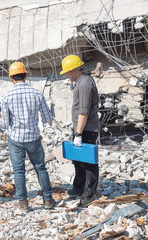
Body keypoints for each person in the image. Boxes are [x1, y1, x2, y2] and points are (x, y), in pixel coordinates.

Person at [0, 62, 55, 211]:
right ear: (26, 75)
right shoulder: (37, 94)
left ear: (11, 78)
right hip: (33, 138)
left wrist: (3, 128)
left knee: (19, 171)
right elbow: (47, 118)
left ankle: (23, 203)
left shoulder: (7, 97)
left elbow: (5, 123)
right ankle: (48, 200)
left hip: (16, 139)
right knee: (40, 168)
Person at [60, 55, 100, 206]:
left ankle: (89, 193)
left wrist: (78, 134)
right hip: (81, 128)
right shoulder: (80, 82)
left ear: (75, 70)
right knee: (78, 161)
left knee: (88, 163)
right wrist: (73, 88)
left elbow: (83, 112)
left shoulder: (84, 85)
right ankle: (78, 187)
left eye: (67, 72)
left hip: (86, 130)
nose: (66, 75)